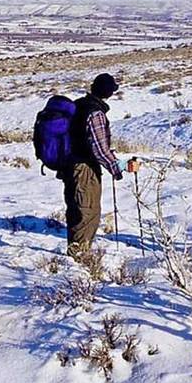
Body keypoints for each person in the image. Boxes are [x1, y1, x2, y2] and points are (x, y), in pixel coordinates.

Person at [63, 73, 133, 258]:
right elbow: (100, 150)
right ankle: (79, 257)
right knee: (87, 211)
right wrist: (117, 167)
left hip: (70, 165)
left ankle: (75, 251)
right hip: (84, 167)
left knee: (76, 209)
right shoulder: (95, 113)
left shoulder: (79, 104)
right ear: (108, 92)